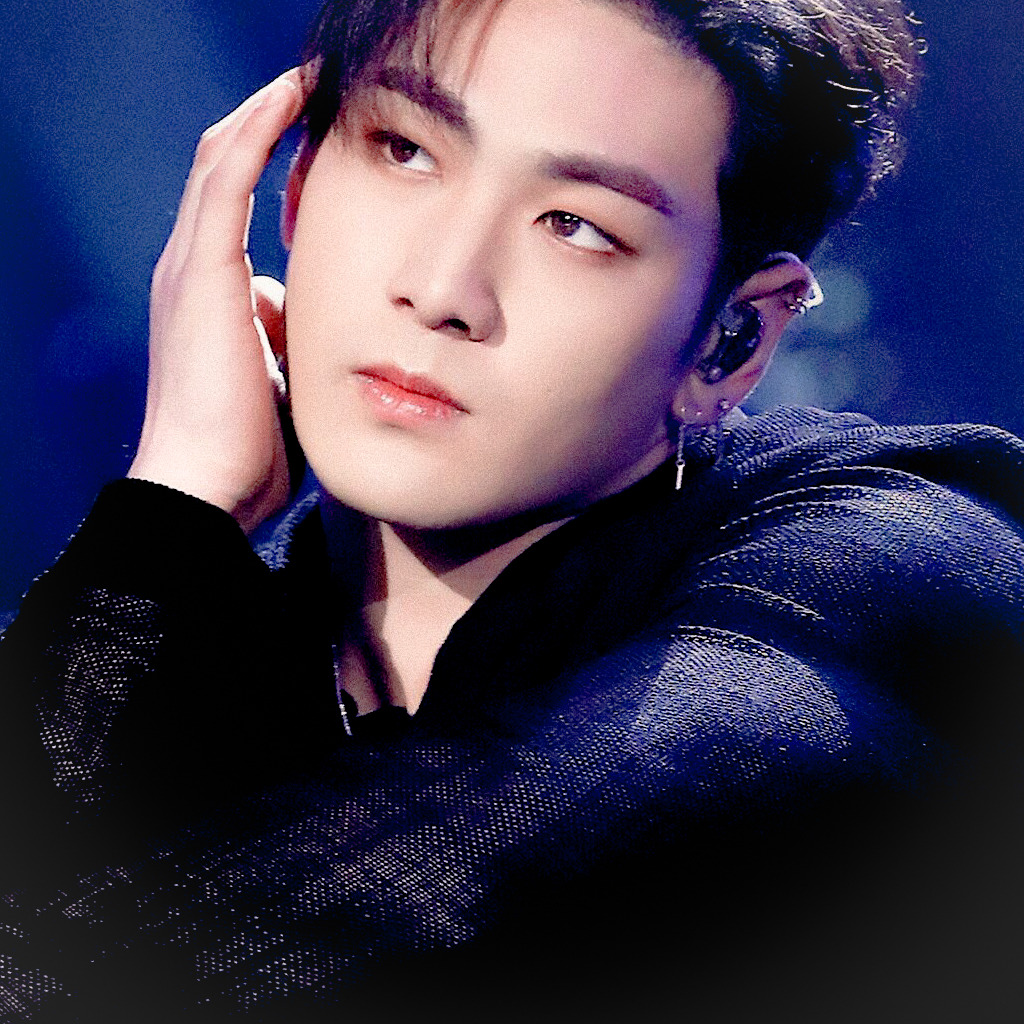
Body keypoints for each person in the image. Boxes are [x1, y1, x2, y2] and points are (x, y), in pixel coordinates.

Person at [1, 0, 1022, 1021]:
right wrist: (176, 497)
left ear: (731, 339)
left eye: (576, 226)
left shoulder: (887, 556)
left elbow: (476, 873)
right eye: (404, 151)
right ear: (297, 191)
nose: (443, 288)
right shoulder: (163, 648)